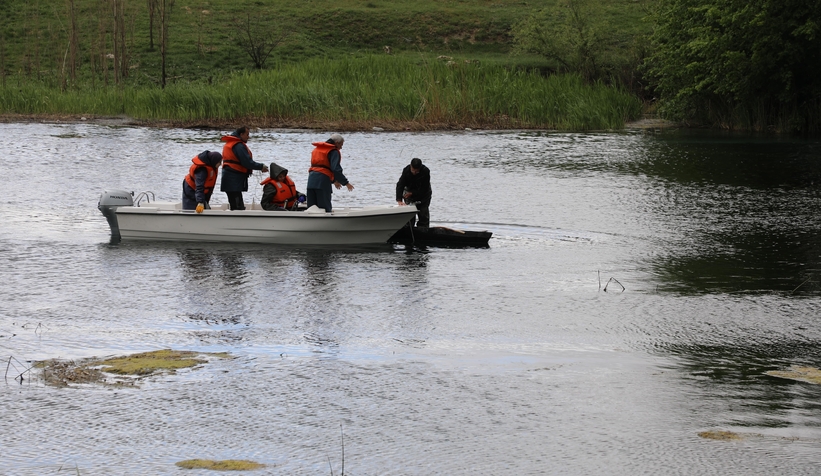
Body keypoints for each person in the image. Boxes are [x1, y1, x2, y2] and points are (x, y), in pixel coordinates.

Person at [220, 126, 269, 210]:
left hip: (229, 178)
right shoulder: (238, 145)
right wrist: (261, 166)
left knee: (235, 201)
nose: (248, 136)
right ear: (241, 134)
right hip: (233, 179)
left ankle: (237, 216)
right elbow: (247, 162)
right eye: (247, 134)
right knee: (237, 205)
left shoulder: (232, 143)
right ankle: (238, 219)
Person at [306, 133, 354, 212]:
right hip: (322, 182)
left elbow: (320, 167)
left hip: (311, 181)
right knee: (324, 208)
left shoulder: (317, 149)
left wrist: (334, 181)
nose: (341, 147)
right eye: (341, 145)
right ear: (337, 143)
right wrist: (346, 183)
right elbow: (335, 169)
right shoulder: (333, 151)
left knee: (312, 208)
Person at [396, 157, 432, 228]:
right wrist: (399, 199)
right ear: (410, 166)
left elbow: (424, 188)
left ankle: (423, 229)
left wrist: (413, 193)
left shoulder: (425, 171)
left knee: (423, 214)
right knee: (409, 216)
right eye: (413, 171)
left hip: (423, 194)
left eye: (417, 171)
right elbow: (400, 185)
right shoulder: (406, 171)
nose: (414, 173)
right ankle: (409, 229)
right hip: (409, 193)